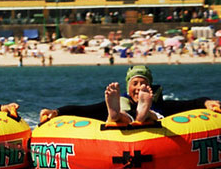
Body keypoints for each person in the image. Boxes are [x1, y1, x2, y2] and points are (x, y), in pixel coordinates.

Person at [39, 64, 221, 124]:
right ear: (128, 87)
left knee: (153, 115)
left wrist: (207, 103)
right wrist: (57, 112)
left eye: (144, 84)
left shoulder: (162, 104)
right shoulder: (123, 100)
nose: (139, 87)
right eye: (135, 84)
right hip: (123, 117)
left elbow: (190, 104)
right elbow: (83, 110)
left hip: (152, 121)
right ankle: (116, 114)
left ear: (150, 88)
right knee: (118, 113)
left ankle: (143, 114)